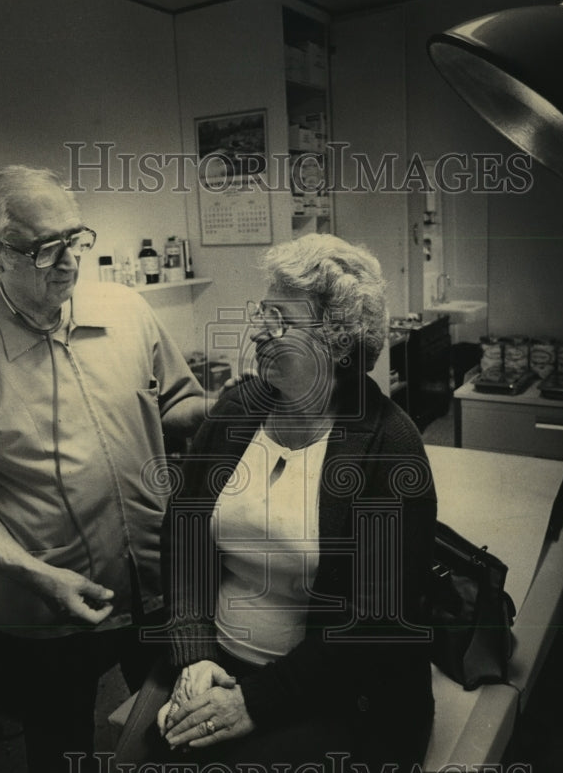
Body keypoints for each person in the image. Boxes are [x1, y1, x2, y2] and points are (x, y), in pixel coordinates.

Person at [0, 165, 208, 772]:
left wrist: (227, 415)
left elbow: (182, 401)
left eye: (76, 238)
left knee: (174, 731)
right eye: (46, 248)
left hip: (157, 579)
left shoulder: (126, 310)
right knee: (60, 747)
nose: (69, 260)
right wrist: (35, 574)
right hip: (47, 609)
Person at [117, 234, 437, 770]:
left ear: (336, 342)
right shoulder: (237, 411)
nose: (259, 331)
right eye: (263, 312)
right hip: (216, 664)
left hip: (335, 689)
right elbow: (184, 538)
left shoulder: (390, 446)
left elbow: (375, 623)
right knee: (135, 758)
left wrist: (252, 703)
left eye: (282, 320)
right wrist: (194, 653)